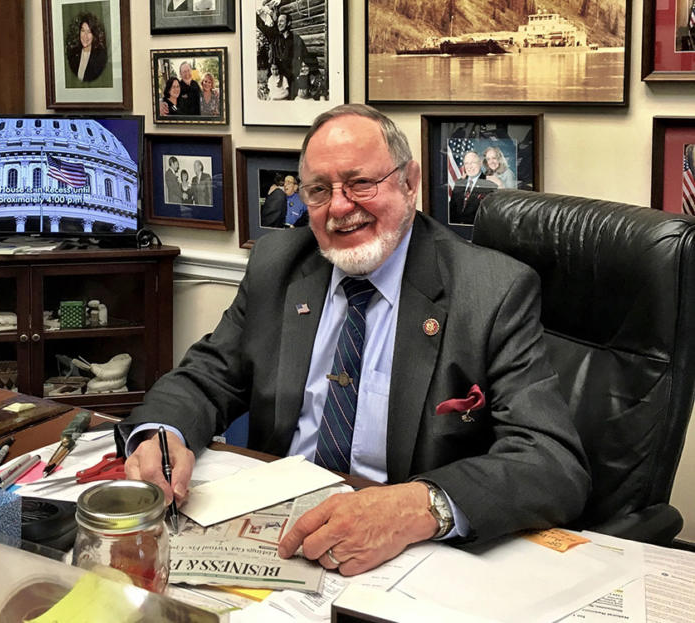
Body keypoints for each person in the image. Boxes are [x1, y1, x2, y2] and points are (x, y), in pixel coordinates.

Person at [115, 103, 589, 576]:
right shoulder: (279, 262)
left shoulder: (490, 291)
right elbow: (206, 376)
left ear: (410, 181)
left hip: (407, 556)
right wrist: (163, 434)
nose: (340, 207)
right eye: (319, 191)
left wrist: (417, 507)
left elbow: (550, 462)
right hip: (277, 535)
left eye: (361, 183)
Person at [256, 3, 309, 99]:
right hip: (278, 80)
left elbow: (306, 58)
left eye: (282, 21)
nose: (278, 23)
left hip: (292, 80)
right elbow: (262, 26)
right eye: (278, 21)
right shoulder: (275, 38)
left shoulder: (296, 39)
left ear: (289, 23)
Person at [449, 150, 498, 225]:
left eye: (473, 163)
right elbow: (451, 210)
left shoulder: (490, 184)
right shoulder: (459, 183)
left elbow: (490, 216)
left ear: (480, 163)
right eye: (466, 163)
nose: (469, 166)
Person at [65, 12, 108, 83]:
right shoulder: (73, 55)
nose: (85, 36)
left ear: (94, 35)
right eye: (83, 31)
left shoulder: (100, 58)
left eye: (89, 32)